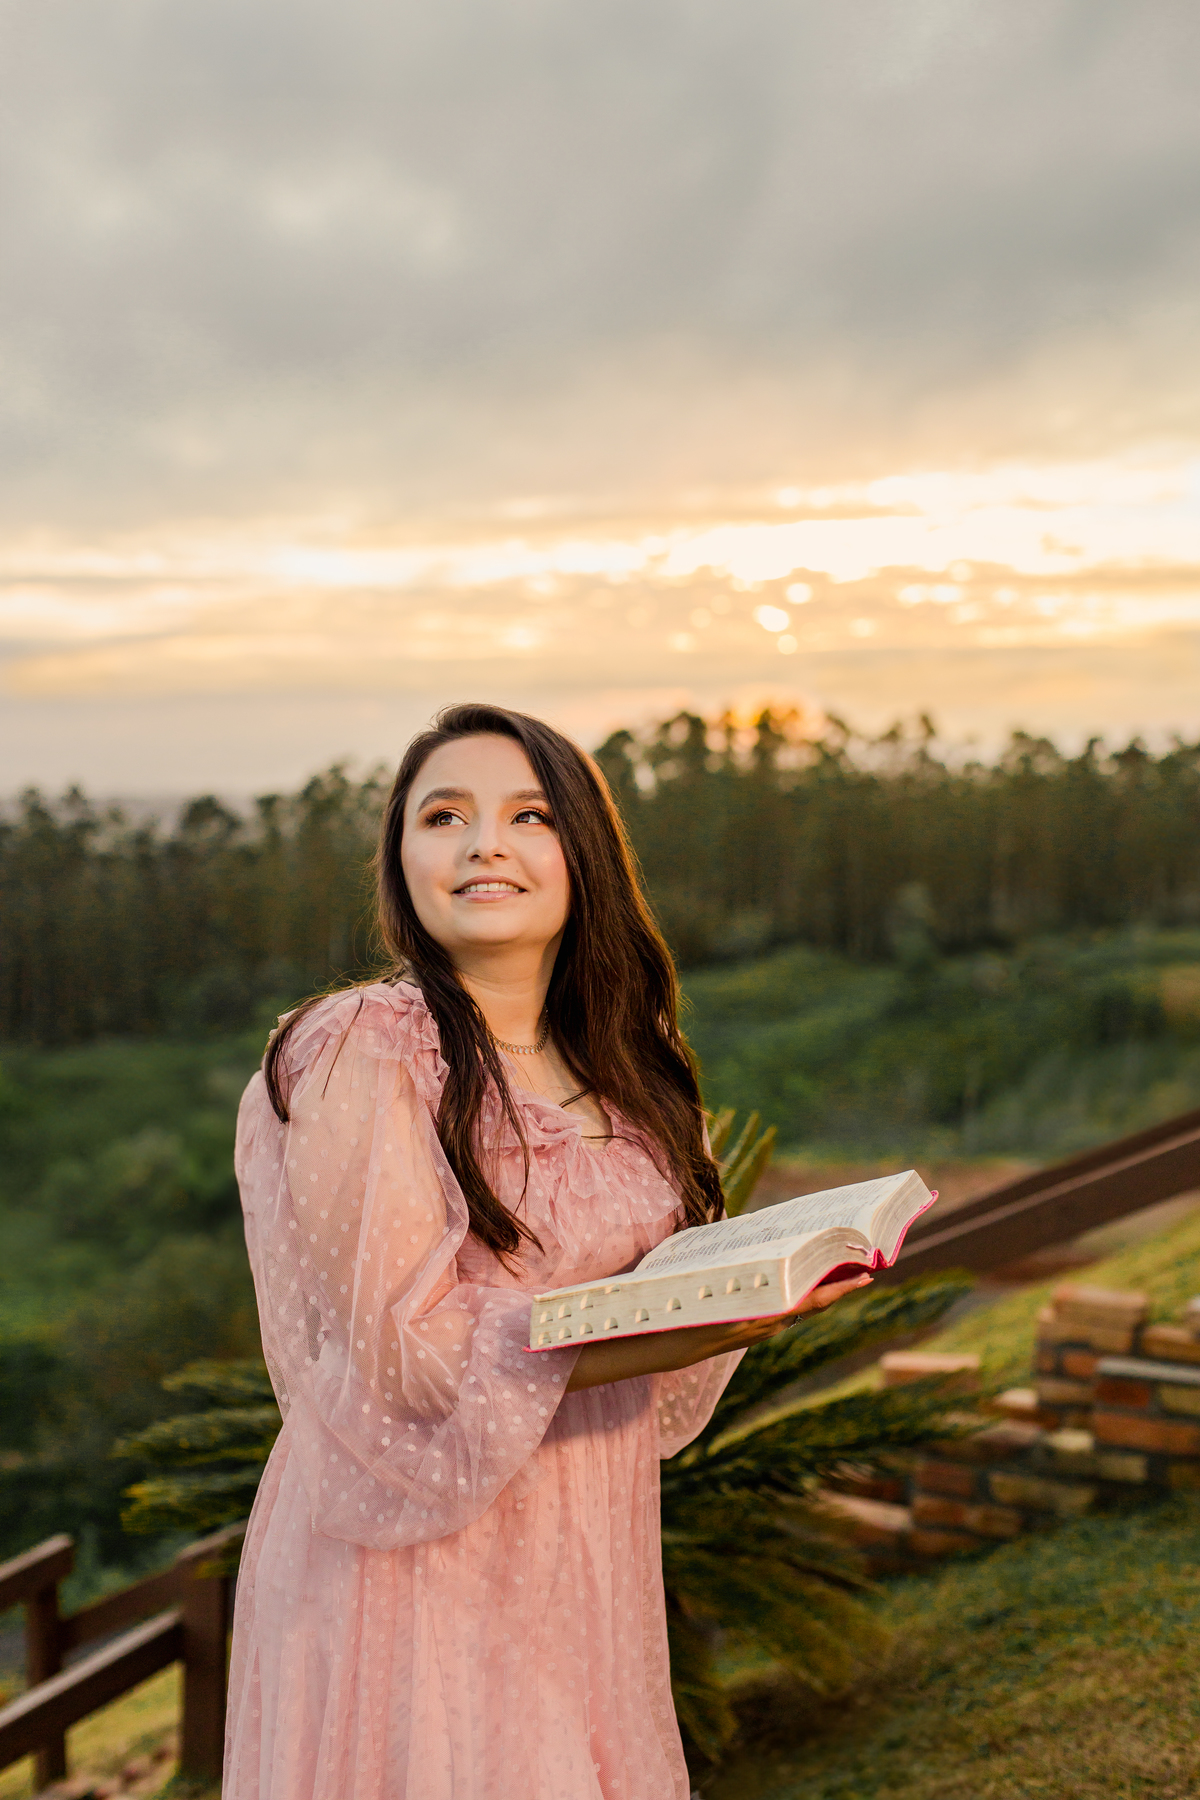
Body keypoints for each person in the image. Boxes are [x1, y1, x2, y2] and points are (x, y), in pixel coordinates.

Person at [225, 702, 868, 1800]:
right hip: (412, 1558)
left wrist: (749, 1294)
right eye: (444, 815)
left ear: (583, 852)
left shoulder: (629, 1063)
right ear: (402, 861)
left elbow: (655, 1297)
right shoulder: (363, 1049)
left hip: (583, 1546)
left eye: (528, 814)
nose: (485, 844)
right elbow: (406, 1355)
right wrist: (696, 1325)